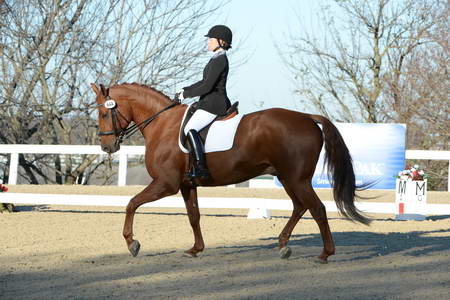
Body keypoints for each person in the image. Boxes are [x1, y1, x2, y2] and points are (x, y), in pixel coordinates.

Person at [174, 25, 232, 179]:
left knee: (190, 128)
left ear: (221, 41)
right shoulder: (216, 58)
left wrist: (186, 95)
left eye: (211, 39)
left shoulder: (220, 60)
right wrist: (184, 90)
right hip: (209, 101)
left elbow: (207, 86)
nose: (208, 42)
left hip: (214, 103)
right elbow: (203, 81)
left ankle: (201, 167)